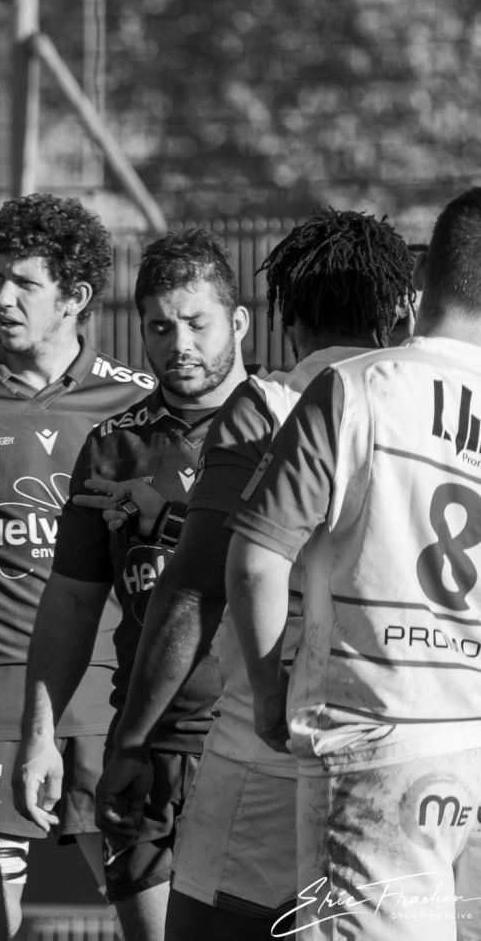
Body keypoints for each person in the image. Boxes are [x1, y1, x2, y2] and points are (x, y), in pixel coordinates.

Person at [96, 209, 414, 938]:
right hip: (419, 745)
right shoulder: (436, 410)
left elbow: (198, 586)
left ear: (283, 319)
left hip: (272, 750)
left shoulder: (268, 407)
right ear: (400, 312)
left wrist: (134, 741)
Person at [225, 188, 481, 939]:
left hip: (376, 743)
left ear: (420, 283)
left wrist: (268, 697)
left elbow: (256, 561)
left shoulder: (356, 387)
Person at [14, 230, 249, 940]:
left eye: (198, 323)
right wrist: (40, 735)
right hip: (144, 748)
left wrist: (171, 521)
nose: (180, 344)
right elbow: (71, 601)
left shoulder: (284, 425)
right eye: (160, 327)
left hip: (252, 743)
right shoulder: (114, 446)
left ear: (239, 322)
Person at [0, 192, 152, 934]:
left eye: (24, 282)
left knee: (156, 923)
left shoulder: (138, 404)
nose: (1, 297)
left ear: (75, 296)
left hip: (113, 704)